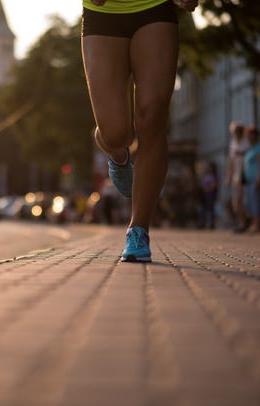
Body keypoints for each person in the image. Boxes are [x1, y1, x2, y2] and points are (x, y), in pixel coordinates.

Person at [81, 0, 198, 262]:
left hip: (155, 7)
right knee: (115, 133)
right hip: (104, 12)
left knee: (152, 116)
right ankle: (119, 155)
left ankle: (138, 229)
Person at [225, 121, 250, 232]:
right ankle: (242, 222)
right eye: (235, 132)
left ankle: (244, 223)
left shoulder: (247, 142)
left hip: (246, 175)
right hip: (236, 176)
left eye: (239, 132)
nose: (237, 134)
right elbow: (231, 162)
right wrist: (228, 177)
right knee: (236, 202)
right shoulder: (233, 143)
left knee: (245, 201)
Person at [242, 125, 260, 233]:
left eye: (251, 135)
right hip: (248, 180)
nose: (249, 137)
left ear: (256, 136)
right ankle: (253, 224)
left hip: (255, 179)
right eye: (248, 135)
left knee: (255, 201)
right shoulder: (249, 149)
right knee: (249, 202)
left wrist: (259, 178)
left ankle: (256, 225)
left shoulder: (259, 148)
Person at [198, 161, 218, 229]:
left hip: (210, 195)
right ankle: (202, 222)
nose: (208, 169)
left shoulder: (214, 176)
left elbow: (214, 185)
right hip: (204, 196)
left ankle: (212, 223)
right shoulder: (206, 175)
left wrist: (207, 189)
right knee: (203, 210)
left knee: (211, 210)